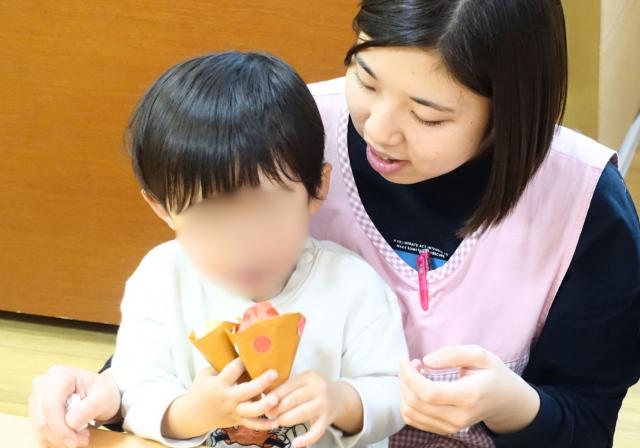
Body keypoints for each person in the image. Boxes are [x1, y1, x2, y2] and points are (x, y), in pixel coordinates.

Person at [30, 1, 640, 447]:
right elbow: (184, 305)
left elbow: (584, 426)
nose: (378, 130)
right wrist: (104, 390)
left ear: (513, 109)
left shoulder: (584, 207)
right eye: (366, 79)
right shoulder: (290, 133)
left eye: (428, 116)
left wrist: (514, 406)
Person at [32, 51, 408, 448]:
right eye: (209, 217)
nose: (243, 243)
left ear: (317, 188)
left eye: (267, 210)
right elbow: (133, 388)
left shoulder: (353, 286)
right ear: (163, 208)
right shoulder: (161, 279)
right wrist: (196, 411)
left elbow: (394, 395)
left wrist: (341, 400)